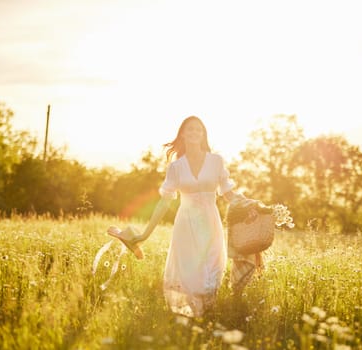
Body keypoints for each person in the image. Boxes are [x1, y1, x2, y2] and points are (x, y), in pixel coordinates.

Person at [107, 116, 261, 318]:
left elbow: (228, 193)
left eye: (199, 129)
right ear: (182, 134)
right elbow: (164, 202)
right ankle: (196, 320)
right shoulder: (176, 167)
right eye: (190, 129)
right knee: (191, 276)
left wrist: (249, 206)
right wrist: (144, 234)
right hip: (185, 226)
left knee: (212, 271)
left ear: (204, 134)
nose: (195, 133)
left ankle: (205, 319)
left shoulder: (216, 161)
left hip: (210, 222)